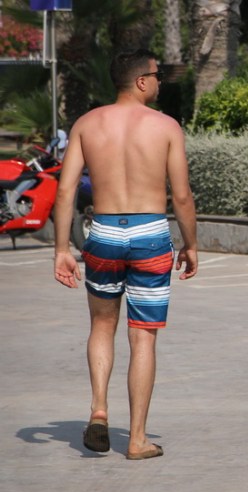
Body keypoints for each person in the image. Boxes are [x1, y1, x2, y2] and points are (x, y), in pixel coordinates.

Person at [53, 49, 198, 460]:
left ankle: (99, 409)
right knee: (143, 336)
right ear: (140, 81)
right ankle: (136, 440)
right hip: (151, 234)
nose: (159, 83)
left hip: (102, 232)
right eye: (157, 76)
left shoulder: (86, 124)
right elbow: (182, 196)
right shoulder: (166, 127)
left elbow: (65, 192)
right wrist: (190, 244)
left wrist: (62, 249)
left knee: (102, 324)